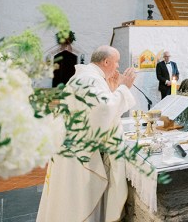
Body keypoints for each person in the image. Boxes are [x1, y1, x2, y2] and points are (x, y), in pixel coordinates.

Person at [37, 46, 136, 222]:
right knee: (78, 201)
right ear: (106, 62)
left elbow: (94, 111)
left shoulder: (88, 77)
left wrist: (113, 89)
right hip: (77, 152)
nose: (118, 67)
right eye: (117, 62)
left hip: (72, 145)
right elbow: (103, 111)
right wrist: (124, 88)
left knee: (68, 199)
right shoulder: (90, 79)